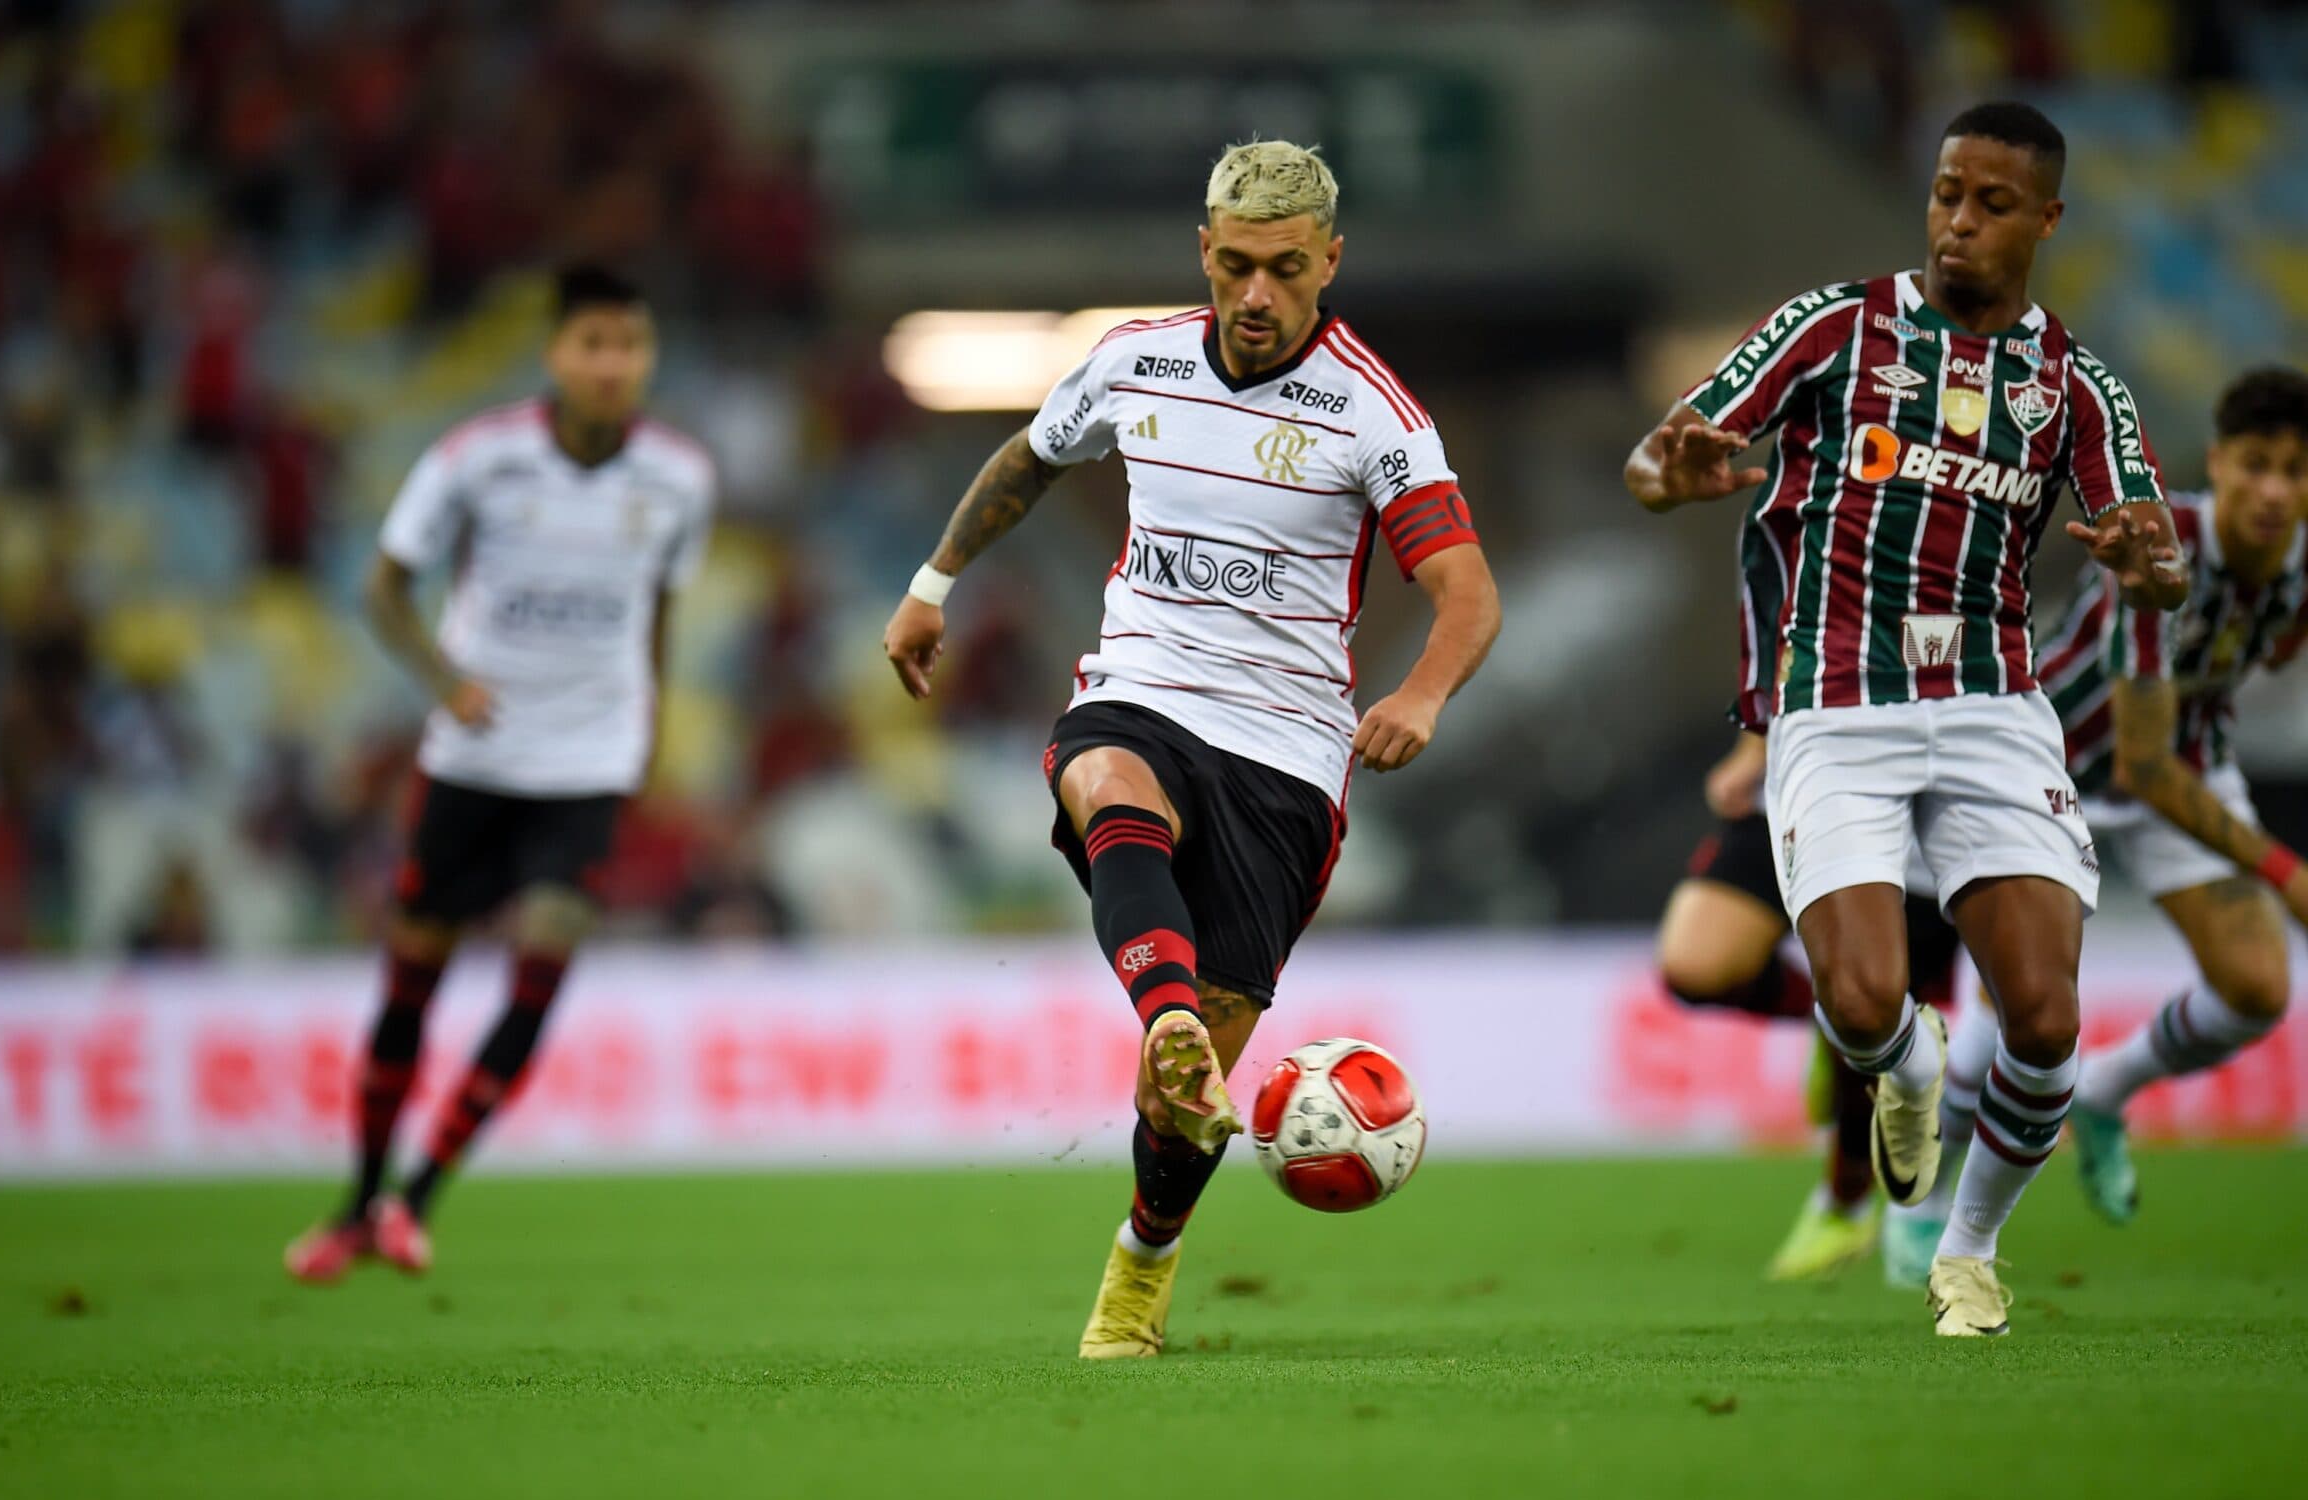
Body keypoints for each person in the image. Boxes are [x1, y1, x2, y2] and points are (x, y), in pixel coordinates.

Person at [881, 140, 1500, 1358]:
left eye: (1282, 269)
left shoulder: (1375, 413)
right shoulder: (1135, 358)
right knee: (1109, 780)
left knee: (1183, 1104)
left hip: (1286, 754)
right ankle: (1161, 1009)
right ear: (1202, 255)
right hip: (1145, 691)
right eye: (1233, 266)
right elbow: (1029, 460)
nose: (1255, 295)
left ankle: (1144, 1258)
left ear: (1330, 260)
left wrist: (1422, 696)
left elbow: (1466, 591)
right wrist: (931, 582)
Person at [1624, 102, 2185, 1336]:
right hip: (1835, 700)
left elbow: (2146, 539)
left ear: (2044, 220)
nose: (1958, 224)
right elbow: (1668, 457)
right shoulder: (1836, 328)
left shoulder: (2076, 384)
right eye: (1945, 195)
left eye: (1990, 204)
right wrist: (1670, 472)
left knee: (2045, 1017)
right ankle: (1911, 1073)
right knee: (1870, 1001)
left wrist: (2151, 566)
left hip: (1991, 704)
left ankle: (1968, 1250)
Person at [286, 263, 713, 1282]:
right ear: (554, 355)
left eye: (632, 346)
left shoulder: (681, 479)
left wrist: (647, 721)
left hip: (587, 760)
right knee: (412, 983)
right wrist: (444, 681)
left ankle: (417, 1199)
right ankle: (358, 1200)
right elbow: (384, 586)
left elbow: (659, 608)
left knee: (543, 963)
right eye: (595, 345)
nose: (615, 366)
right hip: (475, 755)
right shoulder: (477, 461)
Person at [1885, 366, 2308, 1273]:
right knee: (2014, 1013)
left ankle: (2107, 1092)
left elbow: (2271, 646)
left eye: (2297, 471)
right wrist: (2286, 871)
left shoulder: (2299, 562)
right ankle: (1926, 1207)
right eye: (2258, 465)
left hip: (2186, 755)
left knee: (2258, 988)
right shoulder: (2165, 547)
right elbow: (2141, 764)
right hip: (2061, 761)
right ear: (2221, 464)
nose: (2276, 491)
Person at [1660, 729, 1959, 1281]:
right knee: (1694, 963)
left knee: (1872, 1012)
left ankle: (1845, 1202)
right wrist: (1754, 749)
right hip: (1801, 780)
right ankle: (1830, 1018)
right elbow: (1778, 640)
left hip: (1920, 813)